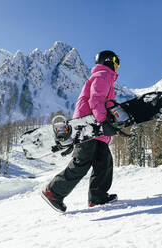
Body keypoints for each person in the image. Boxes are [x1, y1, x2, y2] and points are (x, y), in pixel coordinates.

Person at [41, 50, 120, 213]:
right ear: (108, 61)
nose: (117, 65)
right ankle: (53, 192)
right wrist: (103, 120)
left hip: (97, 128)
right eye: (116, 61)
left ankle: (98, 197)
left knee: (104, 162)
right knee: (82, 161)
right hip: (88, 126)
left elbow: (105, 103)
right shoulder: (103, 75)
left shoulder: (106, 78)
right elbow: (96, 99)